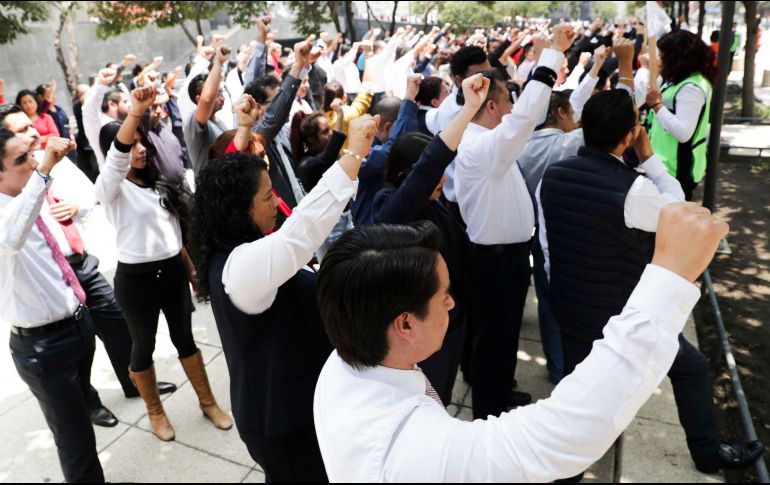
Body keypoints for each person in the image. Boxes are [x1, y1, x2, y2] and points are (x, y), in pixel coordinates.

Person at [313, 202, 732, 482]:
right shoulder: (416, 451)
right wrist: (668, 278)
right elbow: (565, 429)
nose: (452, 301)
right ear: (404, 325)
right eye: (442, 295)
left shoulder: (341, 364)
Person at [539, 88, 764, 476]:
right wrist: (649, 159)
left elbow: (545, 246)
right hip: (623, 320)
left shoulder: (553, 175)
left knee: (576, 405)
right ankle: (707, 453)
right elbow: (685, 215)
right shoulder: (633, 189)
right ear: (630, 135)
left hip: (571, 306)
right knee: (691, 368)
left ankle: (562, 474)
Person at [190, 113, 380, 482]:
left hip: (295, 408)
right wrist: (354, 152)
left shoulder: (243, 248)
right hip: (284, 425)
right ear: (241, 211)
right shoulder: (240, 267)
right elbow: (301, 231)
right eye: (266, 197)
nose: (276, 203)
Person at [0, 103, 179, 425]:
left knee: (117, 324)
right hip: (50, 276)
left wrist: (75, 204)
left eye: (29, 126)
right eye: (20, 131)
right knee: (73, 349)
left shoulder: (52, 159)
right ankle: (90, 402)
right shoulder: (16, 183)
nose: (30, 134)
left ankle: (136, 382)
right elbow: (14, 233)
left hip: (80, 262)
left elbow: (91, 195)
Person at [95, 86, 232, 442]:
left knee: (185, 337)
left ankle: (208, 402)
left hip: (171, 270)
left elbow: (172, 233)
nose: (139, 149)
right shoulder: (111, 189)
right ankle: (155, 411)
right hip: (136, 280)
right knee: (143, 346)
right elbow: (117, 157)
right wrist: (135, 113)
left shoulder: (157, 183)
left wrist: (189, 269)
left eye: (143, 142)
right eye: (132, 143)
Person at [453, 27, 575, 420]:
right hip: (495, 261)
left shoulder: (487, 142)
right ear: (490, 107)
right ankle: (489, 416)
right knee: (494, 342)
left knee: (502, 342)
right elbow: (525, 119)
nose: (511, 109)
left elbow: (526, 116)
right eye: (506, 101)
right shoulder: (480, 146)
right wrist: (551, 57)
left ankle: (499, 394)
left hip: (506, 257)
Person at [371, 73, 488, 404]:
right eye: (435, 176)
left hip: (450, 328)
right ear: (406, 179)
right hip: (424, 340)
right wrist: (469, 110)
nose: (443, 180)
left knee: (444, 397)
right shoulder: (391, 211)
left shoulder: (435, 206)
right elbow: (428, 167)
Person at [1, 131, 105, 482]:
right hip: (43, 348)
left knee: (82, 427)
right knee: (76, 443)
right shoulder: (11, 212)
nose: (32, 162)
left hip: (77, 324)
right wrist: (43, 170)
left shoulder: (28, 194)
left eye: (31, 154)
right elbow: (11, 238)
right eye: (21, 160)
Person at [646, 30, 717, 200]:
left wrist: (656, 106)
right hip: (665, 166)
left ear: (676, 57)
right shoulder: (682, 79)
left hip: (675, 170)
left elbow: (683, 133)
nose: (659, 58)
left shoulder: (691, 88)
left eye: (662, 54)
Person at [185, 45, 231, 175]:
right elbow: (207, 100)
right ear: (198, 99)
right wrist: (219, 62)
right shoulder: (195, 121)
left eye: (221, 92)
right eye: (216, 93)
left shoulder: (219, 121)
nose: (221, 96)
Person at [82, 68, 131, 166]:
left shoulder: (126, 121)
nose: (129, 104)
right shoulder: (98, 126)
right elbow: (88, 110)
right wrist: (101, 84)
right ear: (112, 104)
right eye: (125, 102)